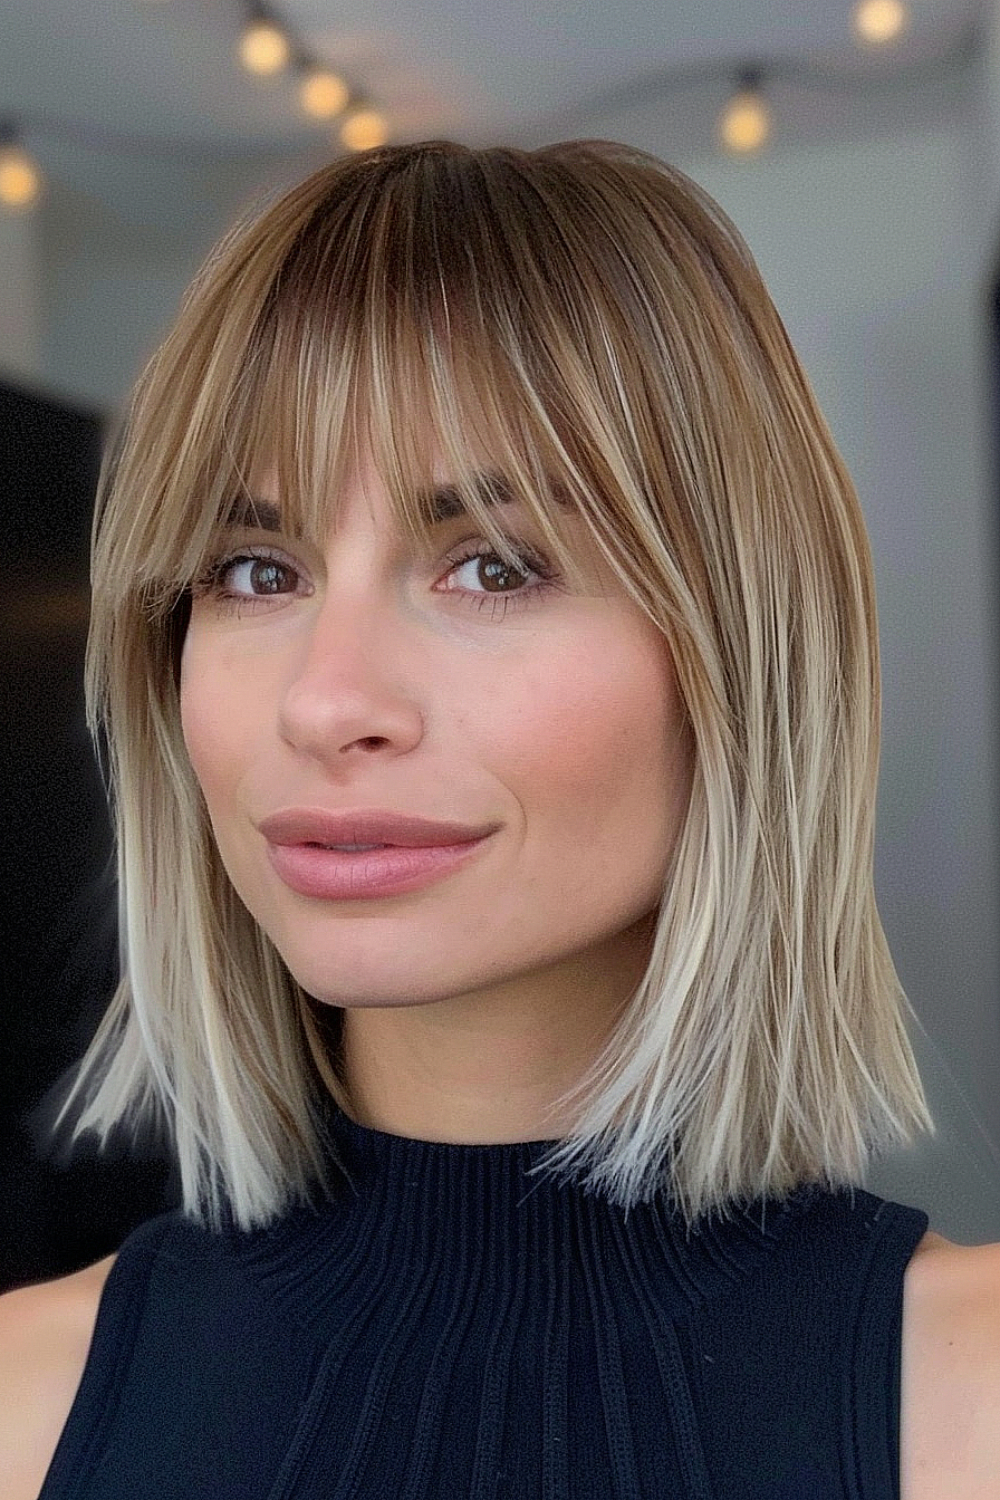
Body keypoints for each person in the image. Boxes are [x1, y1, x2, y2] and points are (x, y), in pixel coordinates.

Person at [1, 138, 997, 1500]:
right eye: (255, 568)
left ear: (740, 654)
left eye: (491, 566)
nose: (325, 699)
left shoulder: (970, 1396)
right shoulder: (20, 1403)